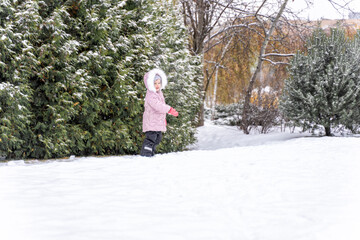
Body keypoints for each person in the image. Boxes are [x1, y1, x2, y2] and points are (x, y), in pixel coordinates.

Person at [140, 68, 178, 157]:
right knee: (151, 139)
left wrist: (162, 120)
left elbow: (160, 109)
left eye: (159, 83)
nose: (157, 85)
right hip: (151, 122)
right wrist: (169, 109)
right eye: (155, 83)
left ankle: (151, 153)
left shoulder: (159, 93)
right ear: (150, 84)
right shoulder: (151, 95)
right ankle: (146, 155)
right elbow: (158, 106)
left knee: (158, 138)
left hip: (156, 122)